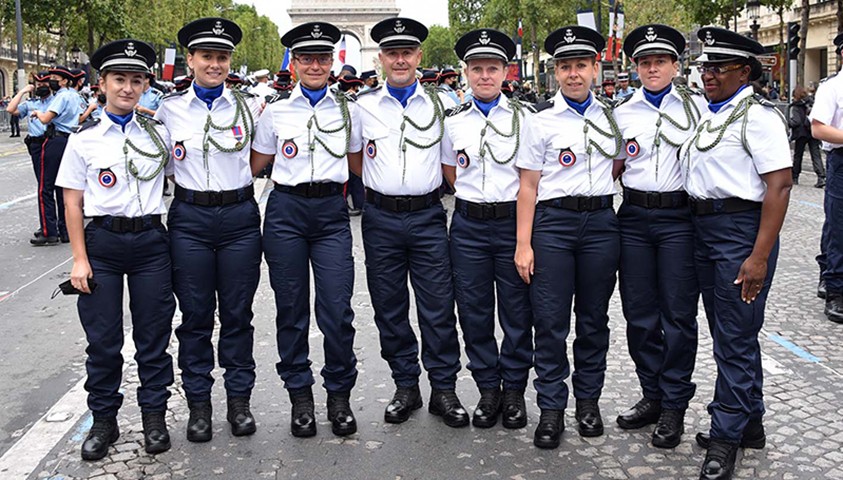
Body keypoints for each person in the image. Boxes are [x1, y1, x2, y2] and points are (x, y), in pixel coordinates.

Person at [681, 27, 792, 480]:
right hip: (705, 229)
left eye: (718, 68)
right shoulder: (713, 114)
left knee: (735, 335)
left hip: (739, 232)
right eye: (705, 67)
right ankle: (751, 422)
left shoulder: (758, 117)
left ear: (744, 72)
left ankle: (725, 437)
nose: (708, 74)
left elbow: (780, 184)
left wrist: (759, 256)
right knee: (733, 333)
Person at [56, 39, 175, 461]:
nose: (127, 88)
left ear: (146, 84)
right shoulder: (83, 140)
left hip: (150, 243)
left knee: (153, 338)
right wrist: (79, 258)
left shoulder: (160, 132)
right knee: (103, 341)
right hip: (102, 243)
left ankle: (154, 416)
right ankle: (104, 420)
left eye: (136, 80)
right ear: (101, 83)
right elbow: (72, 201)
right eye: (119, 79)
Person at [350, 17, 469, 428]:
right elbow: (356, 160)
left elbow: (452, 158)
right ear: (380, 58)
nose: (400, 60)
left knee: (438, 305)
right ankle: (405, 385)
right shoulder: (361, 106)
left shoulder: (445, 105)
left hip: (427, 215)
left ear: (419, 56)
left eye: (407, 52)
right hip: (381, 217)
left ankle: (444, 389)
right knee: (390, 307)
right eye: (392, 53)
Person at [154, 16, 263, 443]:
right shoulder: (167, 110)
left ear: (229, 61)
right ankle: (199, 404)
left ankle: (239, 402)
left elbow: (259, 158)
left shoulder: (250, 107)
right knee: (196, 317)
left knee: (238, 315)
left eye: (221, 57)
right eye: (206, 56)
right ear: (190, 60)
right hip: (190, 220)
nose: (214, 64)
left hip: (238, 218)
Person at [250, 21, 360, 439]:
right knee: (291, 312)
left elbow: (358, 165)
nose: (315, 65)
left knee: (337, 311)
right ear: (293, 64)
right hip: (287, 212)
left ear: (332, 63)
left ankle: (339, 395)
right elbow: (254, 167)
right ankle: (300, 396)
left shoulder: (349, 110)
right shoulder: (275, 111)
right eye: (306, 58)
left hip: (331, 212)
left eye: (322, 58)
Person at [515, 25, 622, 449]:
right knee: (551, 320)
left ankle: (589, 402)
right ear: (554, 72)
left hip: (600, 224)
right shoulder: (539, 122)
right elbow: (528, 186)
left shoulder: (613, 116)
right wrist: (524, 244)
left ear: (596, 68)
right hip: (554, 226)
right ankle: (552, 408)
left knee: (594, 320)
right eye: (565, 67)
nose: (573, 74)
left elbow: (619, 166)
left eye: (581, 65)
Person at [613, 24, 707, 449]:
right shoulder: (622, 113)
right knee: (639, 315)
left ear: (675, 65)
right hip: (633, 217)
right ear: (635, 68)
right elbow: (612, 167)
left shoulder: (698, 110)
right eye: (645, 62)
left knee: (678, 317)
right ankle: (652, 394)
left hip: (678, 219)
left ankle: (674, 405)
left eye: (661, 61)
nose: (653, 68)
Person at [441, 28, 533, 430]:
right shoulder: (454, 122)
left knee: (517, 313)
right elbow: (450, 172)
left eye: (492, 68)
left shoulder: (527, 119)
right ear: (466, 73)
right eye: (476, 69)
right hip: (469, 226)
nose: (484, 76)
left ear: (505, 72)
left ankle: (513, 389)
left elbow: (534, 177)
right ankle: (487, 388)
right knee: (474, 313)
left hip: (512, 224)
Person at [27, 65, 83, 245]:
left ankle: (48, 231)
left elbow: (45, 119)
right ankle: (65, 230)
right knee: (63, 187)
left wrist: (37, 112)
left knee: (45, 188)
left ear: (65, 80)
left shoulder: (62, 96)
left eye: (55, 78)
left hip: (55, 141)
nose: (51, 80)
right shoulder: (75, 95)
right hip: (70, 141)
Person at [811, 33, 843, 323]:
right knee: (838, 224)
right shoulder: (833, 88)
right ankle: (836, 289)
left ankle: (827, 268)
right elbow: (818, 128)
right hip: (841, 161)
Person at [6, 72, 54, 240]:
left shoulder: (57, 101)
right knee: (43, 187)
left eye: (45, 83)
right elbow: (10, 109)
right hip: (35, 145)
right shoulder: (31, 103)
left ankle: (54, 228)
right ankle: (48, 225)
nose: (41, 86)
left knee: (50, 188)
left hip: (50, 143)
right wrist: (22, 91)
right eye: (38, 83)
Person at [790, 86, 826, 187]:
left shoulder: (796, 106)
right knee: (816, 154)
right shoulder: (812, 102)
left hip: (801, 133)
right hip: (812, 131)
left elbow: (796, 122)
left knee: (798, 155)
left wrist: (789, 122)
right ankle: (821, 177)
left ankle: (795, 176)